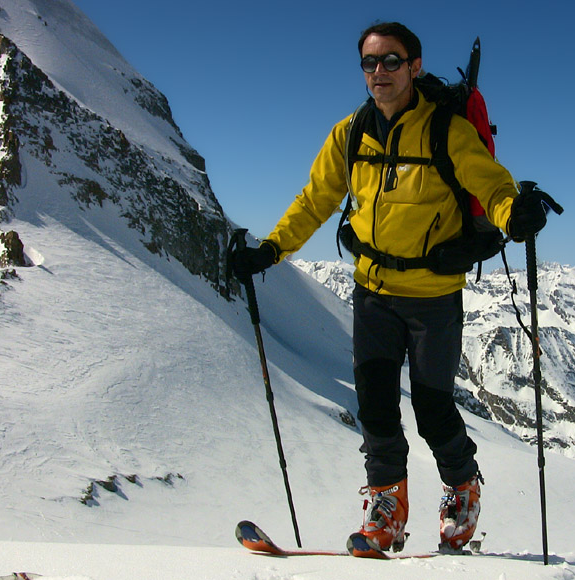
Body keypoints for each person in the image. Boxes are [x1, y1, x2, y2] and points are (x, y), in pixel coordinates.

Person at [231, 21, 551, 554]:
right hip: (373, 292)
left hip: (433, 295)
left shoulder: (447, 130)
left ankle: (462, 487)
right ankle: (387, 513)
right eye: (370, 63)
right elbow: (315, 201)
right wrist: (272, 249)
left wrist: (511, 212)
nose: (379, 72)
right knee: (377, 408)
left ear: (415, 66)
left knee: (432, 408)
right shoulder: (349, 134)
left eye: (391, 61)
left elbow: (488, 181)